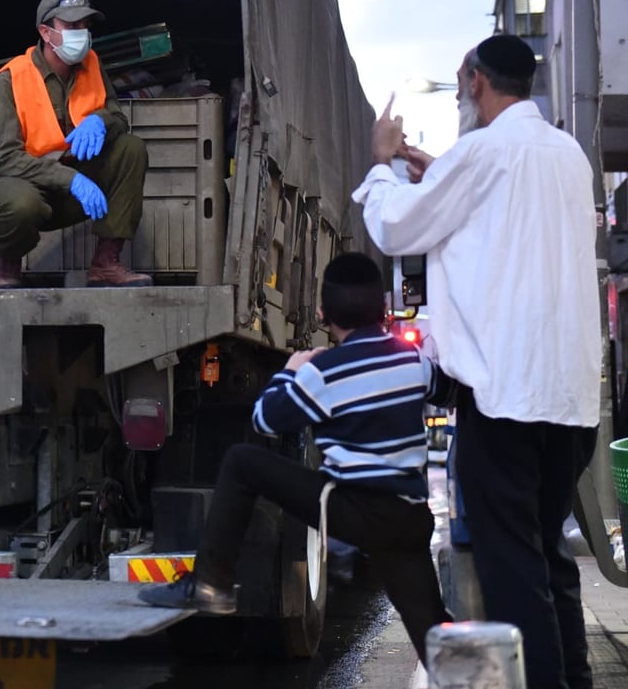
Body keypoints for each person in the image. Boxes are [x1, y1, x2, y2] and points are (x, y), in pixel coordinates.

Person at [352, 33, 601, 689]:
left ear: (474, 79)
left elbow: (398, 227)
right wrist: (436, 167)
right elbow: (501, 207)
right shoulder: (566, 153)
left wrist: (382, 165)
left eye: (462, 85)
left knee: (513, 573)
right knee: (549, 561)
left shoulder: (482, 151)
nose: (461, 95)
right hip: (570, 400)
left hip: (504, 399)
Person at [139, 252, 453, 667]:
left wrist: (291, 370)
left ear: (323, 313)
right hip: (408, 520)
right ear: (382, 310)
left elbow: (265, 420)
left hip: (352, 510)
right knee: (435, 636)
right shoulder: (413, 362)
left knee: (242, 461)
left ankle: (212, 584)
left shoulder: (324, 373)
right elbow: (449, 391)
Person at [0, 0, 152, 288]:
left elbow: (119, 119)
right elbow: (6, 158)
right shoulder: (11, 78)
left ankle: (106, 264)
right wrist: (73, 181)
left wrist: (100, 121)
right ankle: (4, 269)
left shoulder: (92, 63)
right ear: (45, 31)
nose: (82, 33)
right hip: (13, 187)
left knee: (131, 150)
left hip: (64, 190)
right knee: (20, 203)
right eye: (71, 26)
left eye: (85, 26)